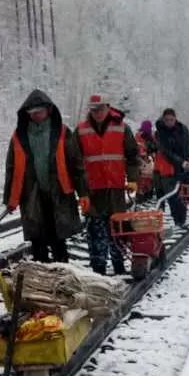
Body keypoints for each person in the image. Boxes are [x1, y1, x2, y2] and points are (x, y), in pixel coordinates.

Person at [3, 89, 86, 264]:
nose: (36, 116)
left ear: (48, 110)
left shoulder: (62, 132)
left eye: (39, 112)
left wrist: (84, 192)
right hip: (32, 194)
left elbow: (76, 164)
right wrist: (10, 199)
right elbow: (11, 168)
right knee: (37, 239)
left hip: (58, 191)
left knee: (58, 237)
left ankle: (62, 272)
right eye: (32, 113)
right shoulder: (19, 136)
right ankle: (40, 275)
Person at [76, 94, 141, 275]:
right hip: (92, 191)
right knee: (95, 231)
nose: (97, 113)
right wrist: (82, 192)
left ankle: (119, 266)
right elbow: (75, 163)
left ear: (108, 107)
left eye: (100, 109)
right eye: (93, 109)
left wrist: (133, 179)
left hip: (115, 189)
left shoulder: (121, 128)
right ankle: (98, 270)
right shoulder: (81, 131)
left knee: (117, 229)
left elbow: (132, 156)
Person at [152, 107, 189, 227]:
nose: (169, 122)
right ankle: (178, 221)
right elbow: (166, 152)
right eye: (167, 120)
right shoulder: (160, 132)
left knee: (181, 195)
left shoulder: (182, 129)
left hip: (181, 167)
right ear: (163, 120)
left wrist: (188, 157)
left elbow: (187, 145)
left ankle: (181, 220)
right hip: (167, 169)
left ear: (175, 119)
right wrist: (181, 161)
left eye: (171, 119)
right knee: (172, 196)